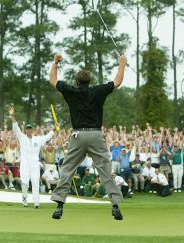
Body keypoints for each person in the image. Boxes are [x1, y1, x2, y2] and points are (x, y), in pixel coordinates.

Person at [49, 54, 126, 220]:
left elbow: (53, 80)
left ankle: (59, 206)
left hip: (78, 134)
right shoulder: (98, 91)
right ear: (89, 80)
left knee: (68, 168)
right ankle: (115, 206)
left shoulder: (71, 91)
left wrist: (55, 62)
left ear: (77, 81)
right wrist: (122, 64)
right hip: (96, 135)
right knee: (105, 170)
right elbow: (117, 82)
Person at [9, 106, 55, 209]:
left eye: (30, 129)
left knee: (35, 182)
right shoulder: (22, 137)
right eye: (27, 129)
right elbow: (16, 127)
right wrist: (12, 116)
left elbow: (47, 137)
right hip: (24, 164)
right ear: (26, 130)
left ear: (32, 130)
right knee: (24, 182)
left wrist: (54, 129)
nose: (29, 130)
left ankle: (36, 202)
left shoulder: (37, 139)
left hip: (35, 164)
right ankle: (24, 201)